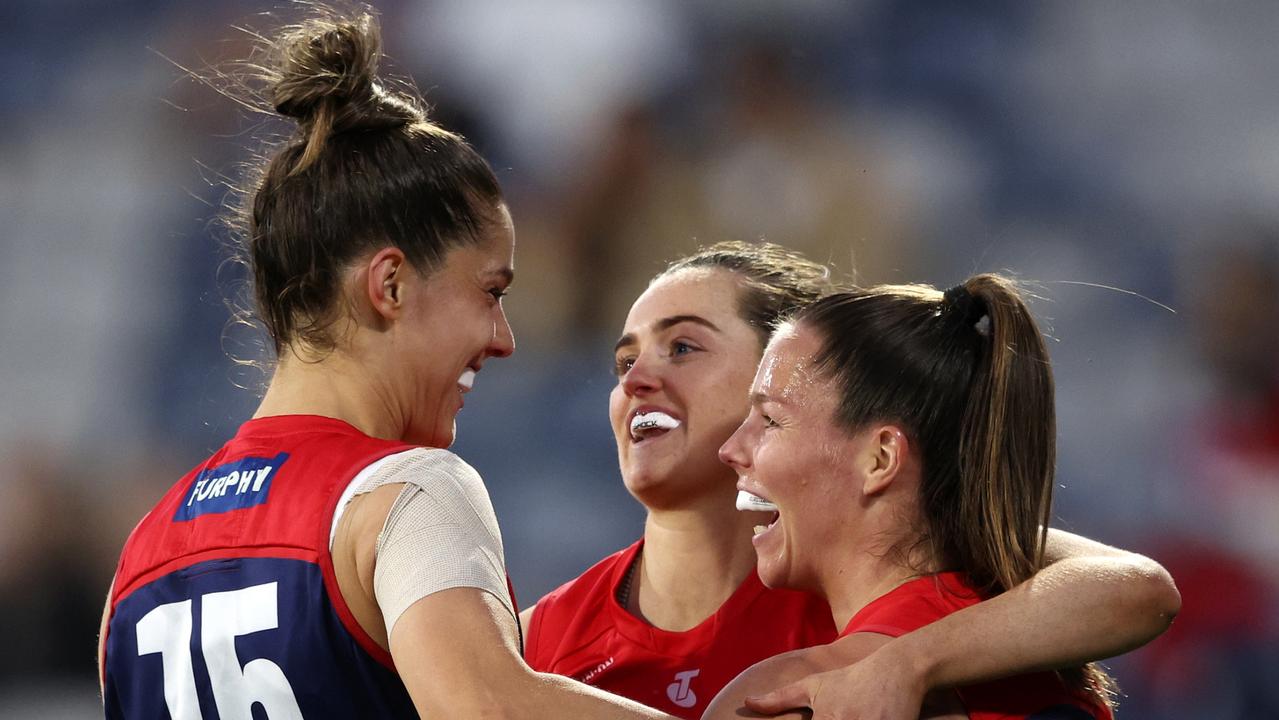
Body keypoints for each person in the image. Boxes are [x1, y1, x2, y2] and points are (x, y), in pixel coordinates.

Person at [97, 8, 673, 719]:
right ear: (390, 285)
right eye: (490, 292)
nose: (504, 337)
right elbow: (488, 710)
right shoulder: (405, 494)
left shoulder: (143, 554)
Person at [524, 245, 1181, 719]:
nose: (636, 377)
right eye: (623, 359)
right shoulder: (1005, 609)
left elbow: (1136, 586)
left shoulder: (806, 676)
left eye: (685, 348)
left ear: (878, 457)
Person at [711, 275, 1180, 719]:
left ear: (879, 459)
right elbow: (1141, 585)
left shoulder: (794, 693)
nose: (730, 450)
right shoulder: (1050, 644)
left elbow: (1146, 587)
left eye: (770, 420)